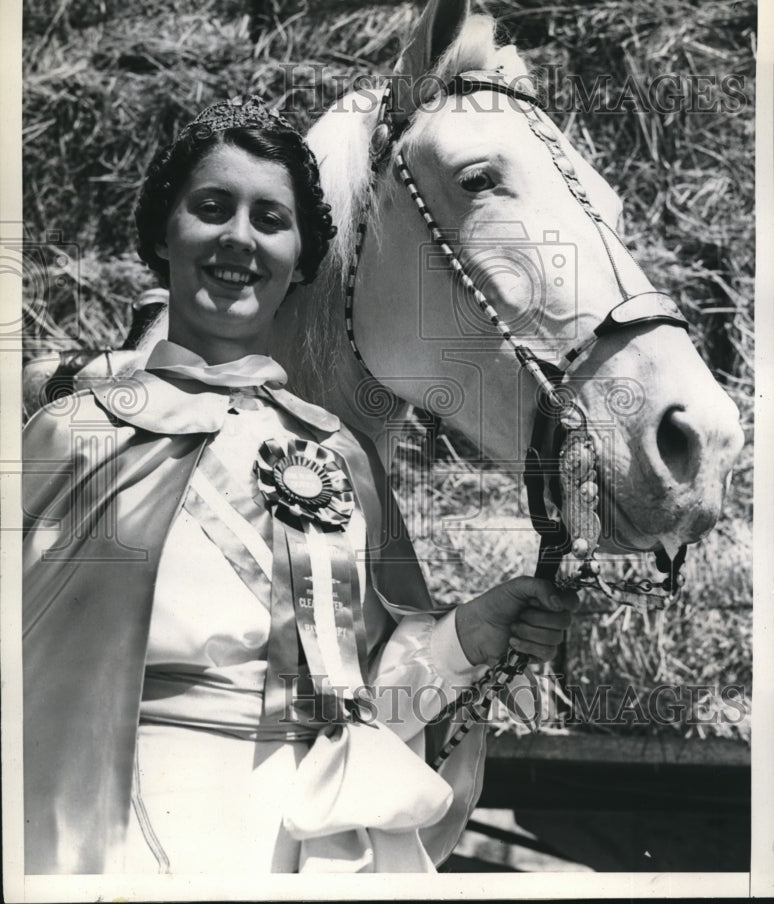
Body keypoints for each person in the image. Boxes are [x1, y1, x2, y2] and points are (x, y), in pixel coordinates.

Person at [22, 95, 578, 876]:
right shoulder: (73, 438)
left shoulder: (336, 456)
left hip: (311, 849)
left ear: (300, 256)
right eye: (212, 208)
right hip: (128, 841)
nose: (238, 239)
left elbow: (361, 703)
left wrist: (467, 636)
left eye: (270, 219)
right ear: (162, 234)